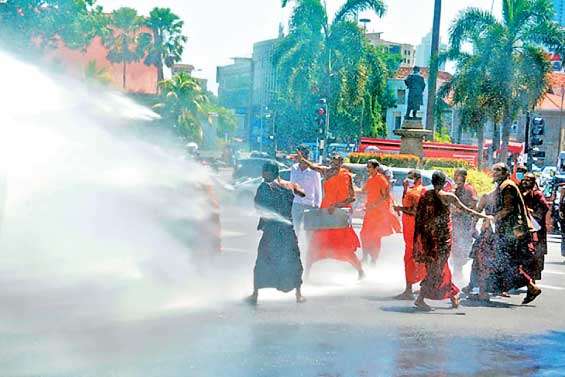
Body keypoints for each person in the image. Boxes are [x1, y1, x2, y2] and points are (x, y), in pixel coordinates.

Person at [413, 171, 491, 311]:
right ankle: (423, 297)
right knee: (438, 268)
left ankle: (453, 296)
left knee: (439, 267)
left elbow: (419, 215)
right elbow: (466, 209)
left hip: (430, 238)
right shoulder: (448, 196)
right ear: (444, 183)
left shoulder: (426, 194)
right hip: (442, 238)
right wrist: (483, 216)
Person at [297, 151, 365, 279]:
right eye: (332, 162)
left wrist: (337, 205)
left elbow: (352, 198)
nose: (334, 166)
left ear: (341, 164)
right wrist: (303, 160)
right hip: (325, 212)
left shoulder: (346, 176)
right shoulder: (326, 172)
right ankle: (306, 275)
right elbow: (313, 166)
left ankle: (360, 271)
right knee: (316, 242)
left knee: (343, 246)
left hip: (339, 214)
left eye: (337, 163)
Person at [248, 162, 306, 304]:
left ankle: (255, 295)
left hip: (272, 231)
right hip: (288, 230)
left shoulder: (264, 186)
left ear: (271, 172)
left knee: (263, 259)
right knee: (293, 260)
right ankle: (298, 294)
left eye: (264, 172)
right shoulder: (289, 185)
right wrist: (293, 189)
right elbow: (302, 193)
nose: (262, 175)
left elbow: (258, 206)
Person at [489, 163, 542, 305]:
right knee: (507, 261)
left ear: (505, 172)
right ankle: (528, 287)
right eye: (494, 170)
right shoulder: (503, 185)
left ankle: (531, 287)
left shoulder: (507, 186)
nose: (494, 173)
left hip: (512, 231)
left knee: (507, 261)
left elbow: (508, 208)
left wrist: (494, 218)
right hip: (508, 230)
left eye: (497, 170)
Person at [393, 170, 427, 300]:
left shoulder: (417, 191)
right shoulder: (415, 190)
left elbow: (414, 211)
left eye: (410, 178)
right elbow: (407, 203)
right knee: (414, 259)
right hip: (413, 231)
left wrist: (399, 209)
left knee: (412, 260)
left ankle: (410, 290)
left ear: (417, 178)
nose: (408, 180)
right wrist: (405, 189)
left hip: (414, 231)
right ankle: (415, 289)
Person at [360, 159, 401, 264]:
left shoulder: (381, 179)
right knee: (364, 234)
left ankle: (373, 260)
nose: (367, 169)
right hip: (369, 212)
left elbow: (385, 196)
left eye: (369, 167)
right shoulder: (370, 179)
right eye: (367, 167)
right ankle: (365, 257)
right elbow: (363, 191)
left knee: (375, 237)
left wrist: (375, 204)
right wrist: (350, 187)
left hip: (378, 214)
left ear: (376, 168)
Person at [465, 189, 497, 300]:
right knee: (479, 262)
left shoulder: (508, 197)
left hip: (495, 235)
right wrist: (473, 227)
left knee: (486, 263)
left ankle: (482, 291)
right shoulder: (487, 196)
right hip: (487, 233)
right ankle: (476, 288)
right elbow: (478, 212)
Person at [520, 173, 550, 281]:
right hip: (523, 227)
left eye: (528, 180)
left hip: (536, 228)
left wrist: (533, 214)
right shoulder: (520, 192)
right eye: (524, 179)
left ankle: (532, 279)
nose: (525, 182)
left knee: (536, 254)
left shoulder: (537, 194)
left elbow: (545, 207)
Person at [450, 169, 478, 281]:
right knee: (454, 248)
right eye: (456, 175)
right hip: (454, 223)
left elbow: (474, 204)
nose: (457, 177)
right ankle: (456, 272)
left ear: (464, 177)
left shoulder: (469, 189)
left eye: (460, 176)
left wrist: (461, 211)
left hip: (464, 224)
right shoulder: (453, 189)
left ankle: (459, 272)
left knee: (462, 248)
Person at [290, 146, 322, 237]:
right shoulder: (294, 168)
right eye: (299, 155)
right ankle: (295, 247)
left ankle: (309, 249)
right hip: (296, 203)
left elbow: (318, 189)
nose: (300, 157)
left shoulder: (314, 170)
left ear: (307, 156)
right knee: (295, 228)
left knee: (309, 231)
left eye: (303, 155)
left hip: (309, 204)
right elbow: (292, 185)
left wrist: (317, 205)